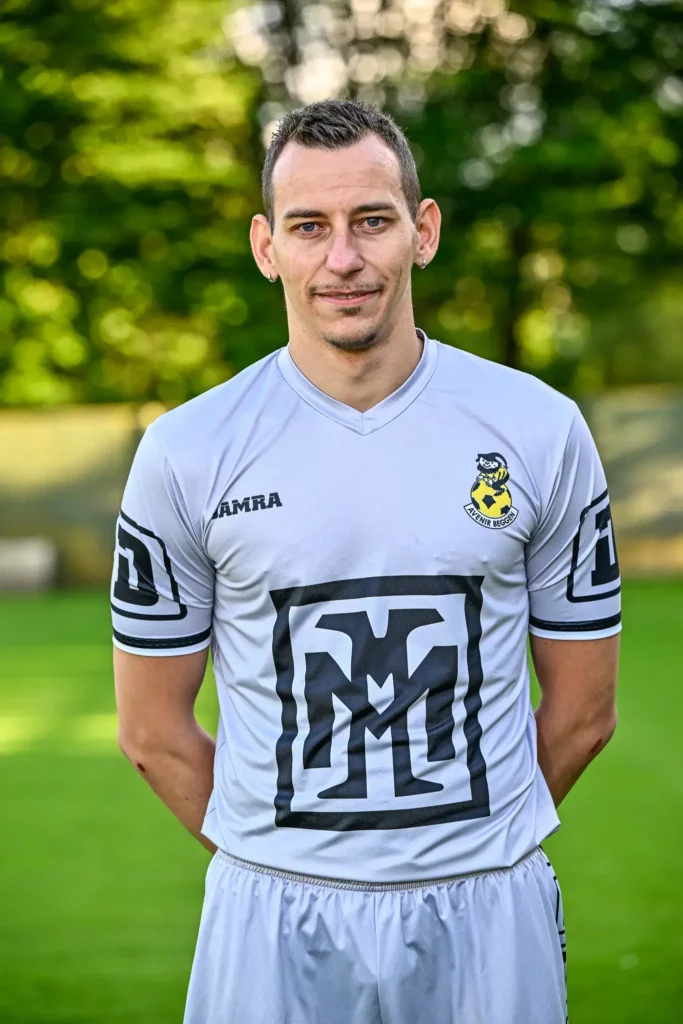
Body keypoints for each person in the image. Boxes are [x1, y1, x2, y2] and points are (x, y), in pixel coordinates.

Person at [112, 99, 620, 1024]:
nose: (341, 259)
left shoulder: (538, 429)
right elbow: (151, 732)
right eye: (309, 226)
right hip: (270, 907)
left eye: (371, 221)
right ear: (267, 247)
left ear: (421, 232)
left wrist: (465, 846)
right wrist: (285, 859)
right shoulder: (187, 451)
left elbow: (584, 715)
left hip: (487, 901)